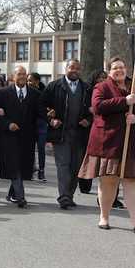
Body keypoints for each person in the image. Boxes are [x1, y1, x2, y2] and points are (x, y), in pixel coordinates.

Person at [79, 58, 135, 236]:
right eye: (114, 68)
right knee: (108, 181)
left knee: (132, 182)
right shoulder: (102, 87)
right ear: (109, 71)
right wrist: (124, 101)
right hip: (109, 143)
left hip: (133, 144)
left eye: (121, 67)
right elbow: (98, 107)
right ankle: (104, 217)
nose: (119, 70)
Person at [41, 59, 92, 209]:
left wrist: (88, 120)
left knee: (75, 167)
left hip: (79, 134)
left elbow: (93, 109)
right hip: (61, 133)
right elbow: (41, 105)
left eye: (77, 68)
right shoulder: (54, 86)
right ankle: (63, 196)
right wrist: (50, 119)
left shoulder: (86, 88)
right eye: (71, 68)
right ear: (66, 69)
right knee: (63, 165)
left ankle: (69, 195)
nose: (74, 70)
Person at [0, 66, 42, 207]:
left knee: (22, 166)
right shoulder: (3, 93)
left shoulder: (35, 94)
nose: (22, 76)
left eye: (24, 74)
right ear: (13, 76)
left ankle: (12, 194)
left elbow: (40, 113)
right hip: (9, 137)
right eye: (19, 74)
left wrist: (51, 118)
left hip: (27, 137)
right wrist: (7, 124)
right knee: (13, 165)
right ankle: (20, 197)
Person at [28, 73, 47, 182]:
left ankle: (41, 171)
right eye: (28, 80)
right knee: (30, 148)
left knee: (41, 148)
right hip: (30, 124)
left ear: (37, 81)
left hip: (41, 124)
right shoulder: (26, 92)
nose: (29, 82)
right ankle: (30, 169)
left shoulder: (43, 93)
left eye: (31, 80)